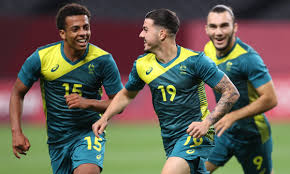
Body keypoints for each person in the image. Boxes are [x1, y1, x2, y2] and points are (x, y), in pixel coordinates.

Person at [92, 9, 239, 174]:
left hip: (196, 135)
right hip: (170, 139)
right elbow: (127, 94)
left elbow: (231, 92)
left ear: (162, 34)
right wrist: (105, 117)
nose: (141, 34)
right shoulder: (142, 65)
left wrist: (207, 123)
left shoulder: (195, 61)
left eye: (146, 29)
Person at [9, 3, 123, 174]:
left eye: (86, 27)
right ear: (63, 33)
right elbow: (17, 92)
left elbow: (120, 103)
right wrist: (16, 132)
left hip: (89, 132)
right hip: (57, 140)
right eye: (76, 29)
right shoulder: (42, 58)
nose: (83, 33)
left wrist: (87, 103)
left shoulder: (103, 60)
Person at [203, 5, 278, 174]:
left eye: (224, 25)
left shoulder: (248, 58)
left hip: (252, 135)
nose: (218, 32)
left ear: (234, 27)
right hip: (224, 131)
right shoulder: (208, 50)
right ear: (206, 29)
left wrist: (233, 116)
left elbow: (271, 98)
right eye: (213, 26)